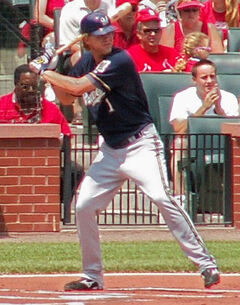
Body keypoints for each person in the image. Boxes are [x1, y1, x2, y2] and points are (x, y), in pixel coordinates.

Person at [29, 11, 220, 291]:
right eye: (99, 35)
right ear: (87, 40)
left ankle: (206, 263)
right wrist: (55, 73)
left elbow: (80, 86)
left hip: (140, 143)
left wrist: (45, 70)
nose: (107, 37)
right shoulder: (84, 61)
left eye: (109, 32)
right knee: (84, 206)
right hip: (109, 148)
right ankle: (92, 275)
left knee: (161, 196)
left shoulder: (119, 60)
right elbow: (68, 97)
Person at [169, 59, 239, 201]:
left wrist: (219, 108)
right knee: (179, 144)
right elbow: (179, 129)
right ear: (194, 80)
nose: (209, 81)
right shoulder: (183, 97)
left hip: (222, 144)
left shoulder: (229, 98)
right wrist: (204, 108)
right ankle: (180, 197)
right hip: (195, 144)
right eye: (204, 77)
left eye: (212, 76)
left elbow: (235, 128)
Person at [0, 64, 71, 138]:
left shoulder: (50, 109)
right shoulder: (2, 105)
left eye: (34, 86)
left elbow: (66, 135)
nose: (31, 90)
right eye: (25, 87)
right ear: (16, 84)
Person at [160, 0, 224, 53]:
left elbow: (218, 54)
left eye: (194, 10)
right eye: (187, 10)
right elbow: (166, 55)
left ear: (199, 12)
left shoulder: (209, 28)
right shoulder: (171, 28)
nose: (191, 14)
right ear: (180, 13)